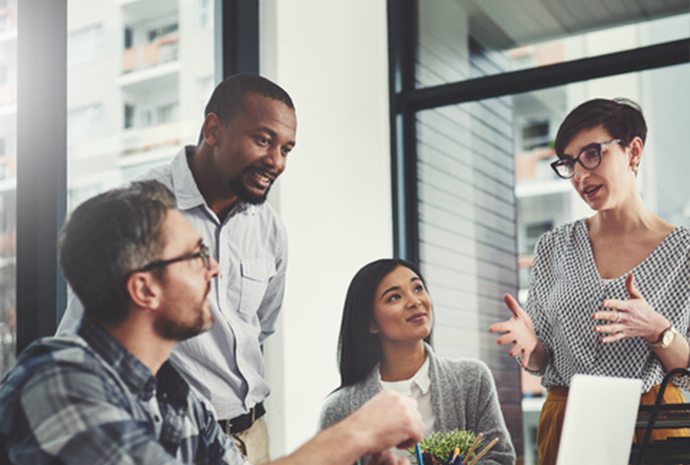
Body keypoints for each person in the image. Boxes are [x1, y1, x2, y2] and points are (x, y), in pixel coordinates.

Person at [0, 181, 423, 465]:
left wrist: (353, 455)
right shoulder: (56, 378)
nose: (215, 268)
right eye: (197, 255)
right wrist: (354, 433)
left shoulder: (175, 394)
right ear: (145, 289)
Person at [57, 74, 296, 463]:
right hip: (168, 438)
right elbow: (87, 333)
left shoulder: (269, 227)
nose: (277, 162)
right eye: (264, 140)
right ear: (213, 129)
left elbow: (261, 325)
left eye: (287, 148)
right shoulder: (143, 209)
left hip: (253, 434)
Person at [488, 98, 690, 465]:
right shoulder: (553, 246)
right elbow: (542, 358)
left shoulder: (684, 252)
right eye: (569, 163)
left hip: (651, 423)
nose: (580, 175)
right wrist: (530, 347)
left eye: (593, 154)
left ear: (633, 151)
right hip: (569, 421)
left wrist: (658, 329)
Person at [320, 258, 516, 465]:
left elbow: (501, 459)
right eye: (394, 297)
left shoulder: (472, 378)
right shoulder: (339, 408)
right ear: (371, 323)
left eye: (418, 288)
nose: (415, 301)